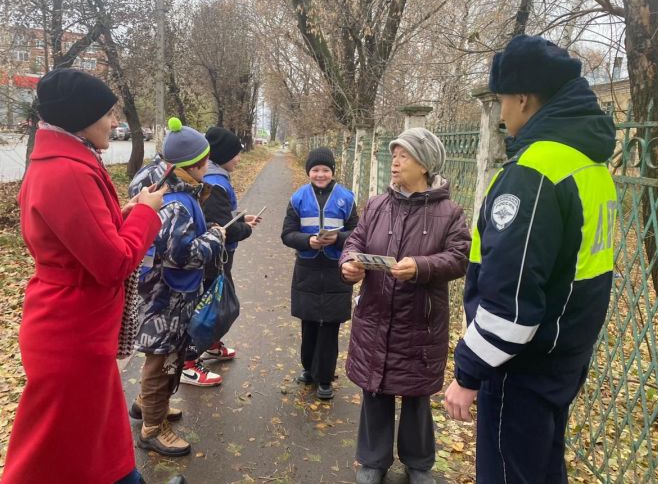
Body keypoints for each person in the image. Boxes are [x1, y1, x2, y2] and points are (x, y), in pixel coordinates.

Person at [443, 35, 617, 483]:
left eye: (501, 100)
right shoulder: (589, 165)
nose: (500, 113)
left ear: (523, 98)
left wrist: (467, 373)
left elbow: (512, 301)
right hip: (565, 356)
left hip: (521, 367)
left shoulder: (534, 173)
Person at [2, 68, 185, 484]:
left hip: (75, 326)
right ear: (81, 116)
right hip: (73, 332)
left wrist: (129, 211)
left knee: (93, 440)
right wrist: (145, 213)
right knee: (53, 451)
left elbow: (80, 241)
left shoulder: (63, 161)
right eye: (107, 113)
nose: (113, 122)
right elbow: (113, 263)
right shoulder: (68, 172)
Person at [340, 129, 471, 484]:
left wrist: (421, 267)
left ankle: (419, 462)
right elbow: (356, 240)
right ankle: (372, 459)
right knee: (374, 387)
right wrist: (350, 262)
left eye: (404, 156)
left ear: (425, 165)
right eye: (394, 154)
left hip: (420, 321)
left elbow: (460, 257)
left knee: (415, 394)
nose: (394, 162)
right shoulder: (377, 205)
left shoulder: (449, 212)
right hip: (375, 314)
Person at [130, 117, 226, 457]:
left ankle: (147, 405)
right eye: (205, 161)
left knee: (163, 356)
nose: (208, 166)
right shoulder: (177, 203)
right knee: (163, 359)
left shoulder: (157, 181)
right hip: (167, 296)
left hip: (160, 290)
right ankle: (154, 429)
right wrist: (215, 237)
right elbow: (182, 255)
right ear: (191, 165)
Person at [180, 126, 262, 386]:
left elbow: (221, 218)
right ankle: (189, 362)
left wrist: (239, 218)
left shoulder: (216, 177)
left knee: (217, 303)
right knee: (210, 305)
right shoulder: (215, 183)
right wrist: (245, 227)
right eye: (235, 154)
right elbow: (222, 229)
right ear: (223, 154)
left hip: (219, 257)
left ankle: (212, 343)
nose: (239, 158)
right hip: (214, 259)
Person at [281, 147, 358, 400]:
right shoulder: (298, 198)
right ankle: (309, 369)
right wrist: (307, 241)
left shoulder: (346, 197)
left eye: (325, 169)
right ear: (308, 172)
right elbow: (288, 234)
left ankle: (324, 378)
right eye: (315, 169)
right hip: (308, 269)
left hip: (337, 269)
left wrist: (338, 239)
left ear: (333, 171)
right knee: (310, 322)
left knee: (330, 326)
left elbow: (358, 234)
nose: (320, 174)